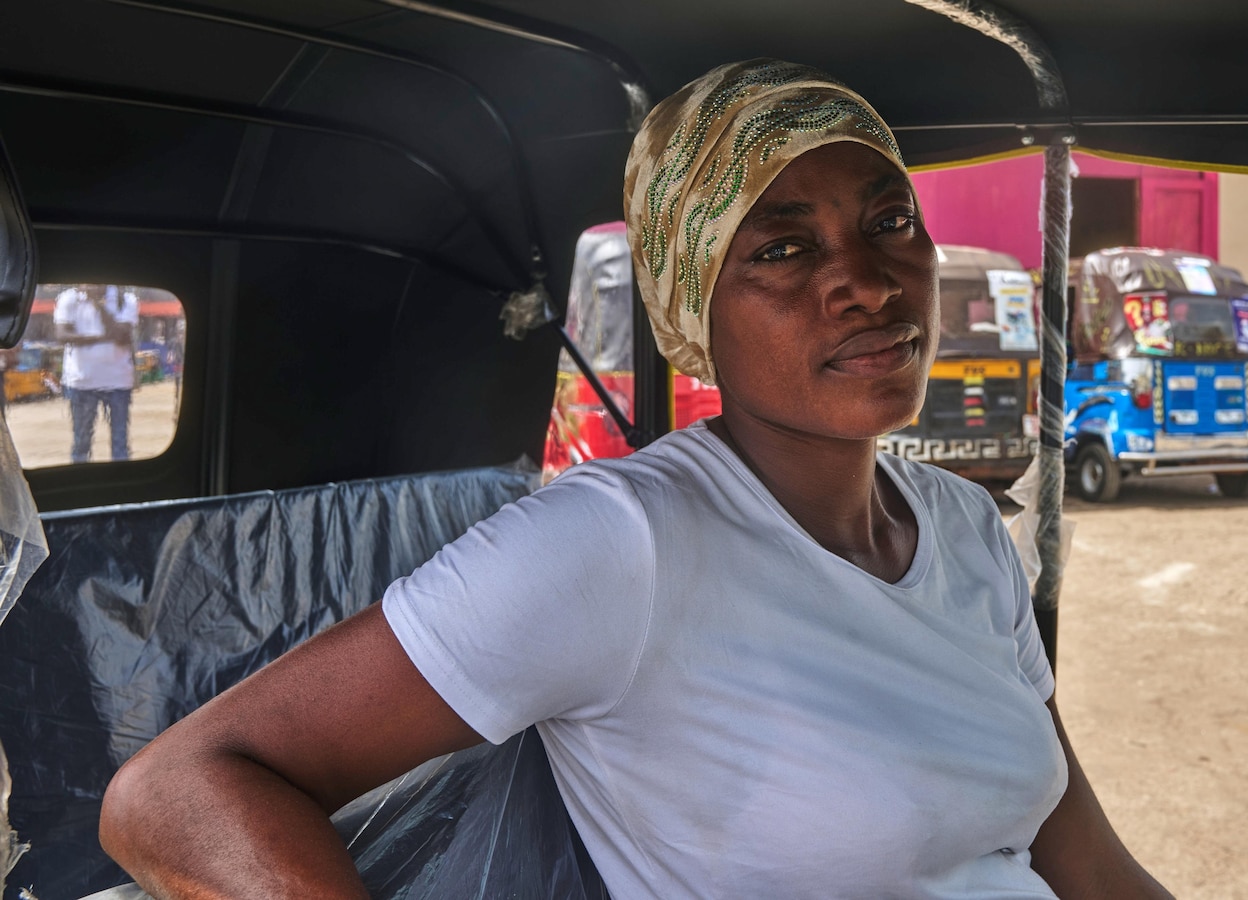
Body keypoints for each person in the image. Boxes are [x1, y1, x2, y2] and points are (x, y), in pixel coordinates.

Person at [99, 60, 1172, 899]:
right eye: (781, 251)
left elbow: (1083, 867)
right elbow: (173, 792)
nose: (861, 280)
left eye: (889, 222)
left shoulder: (965, 530)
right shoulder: (626, 544)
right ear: (688, 312)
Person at [53, 284, 138, 462]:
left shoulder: (126, 298)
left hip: (118, 382)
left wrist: (98, 304)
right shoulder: (69, 298)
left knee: (120, 445)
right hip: (81, 382)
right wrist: (100, 337)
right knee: (81, 445)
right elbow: (61, 335)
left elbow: (121, 335)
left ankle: (120, 485)